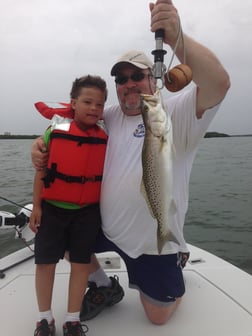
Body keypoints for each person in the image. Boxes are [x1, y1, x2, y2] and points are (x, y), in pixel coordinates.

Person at [32, 0, 230, 327]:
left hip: (153, 241)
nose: (128, 84)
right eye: (121, 80)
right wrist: (39, 146)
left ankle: (175, 263)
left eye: (136, 75)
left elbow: (219, 83)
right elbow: (66, 125)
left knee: (158, 317)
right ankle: (105, 285)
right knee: (61, 232)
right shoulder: (107, 115)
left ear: (152, 78)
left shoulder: (175, 112)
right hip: (107, 230)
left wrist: (176, 36)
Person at [30, 75, 108, 336]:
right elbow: (41, 172)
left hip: (87, 213)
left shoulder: (107, 135)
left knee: (81, 264)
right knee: (45, 264)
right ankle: (44, 319)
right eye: (87, 102)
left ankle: (72, 320)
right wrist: (37, 207)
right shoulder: (55, 133)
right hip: (52, 209)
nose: (94, 109)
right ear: (73, 103)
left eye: (99, 104)